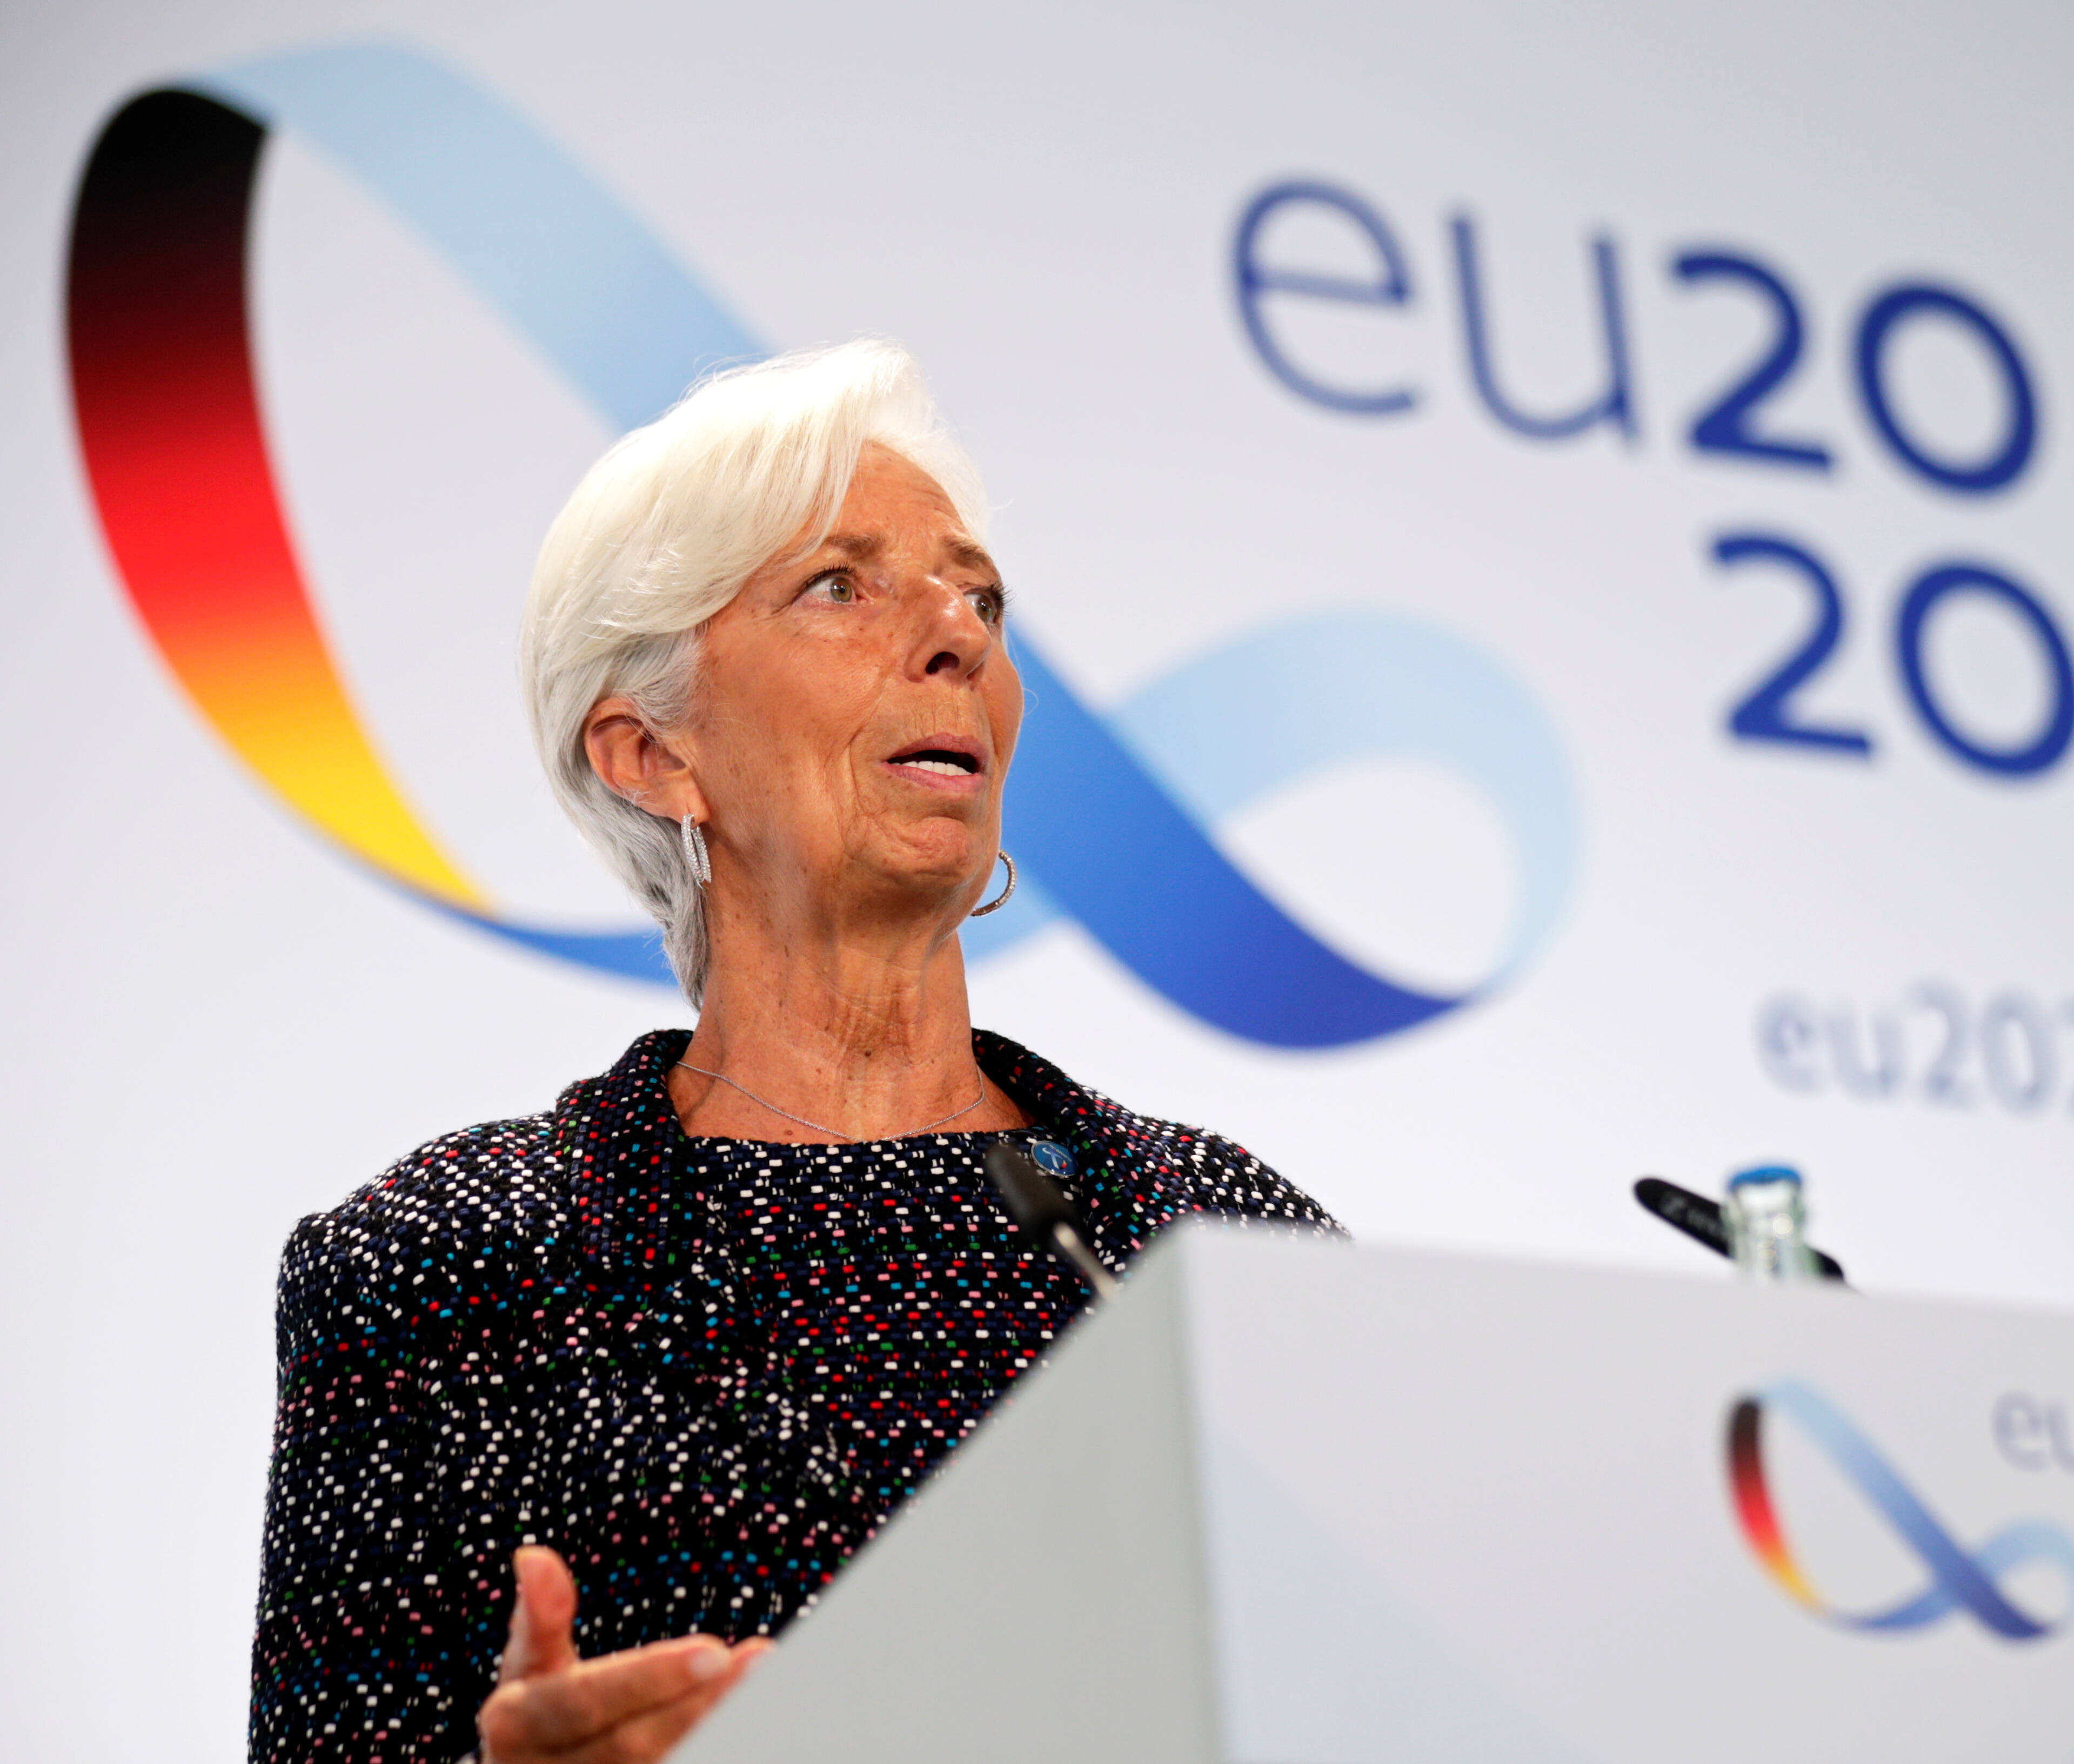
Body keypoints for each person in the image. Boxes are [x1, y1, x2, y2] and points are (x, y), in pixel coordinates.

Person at [248, 341, 1340, 1763]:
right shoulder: (446, 1261)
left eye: (978, 597)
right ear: (653, 753)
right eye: (840, 585)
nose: (957, 637)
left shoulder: (1218, 1238)